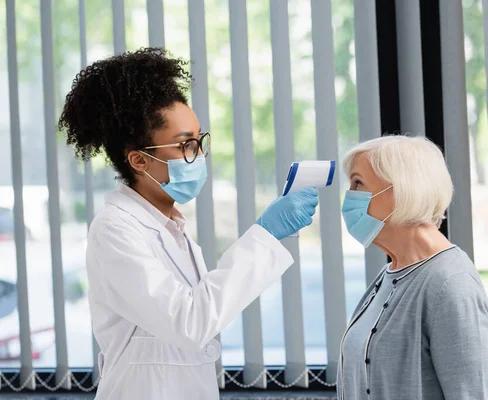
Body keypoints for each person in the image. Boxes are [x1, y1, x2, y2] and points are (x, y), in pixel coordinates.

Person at [59, 47, 318, 400]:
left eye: (199, 140)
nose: (198, 156)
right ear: (139, 160)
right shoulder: (115, 230)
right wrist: (265, 235)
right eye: (184, 145)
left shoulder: (170, 228)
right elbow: (190, 322)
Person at [337, 135, 488, 400]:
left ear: (400, 190)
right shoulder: (389, 275)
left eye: (358, 183)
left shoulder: (450, 283)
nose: (349, 196)